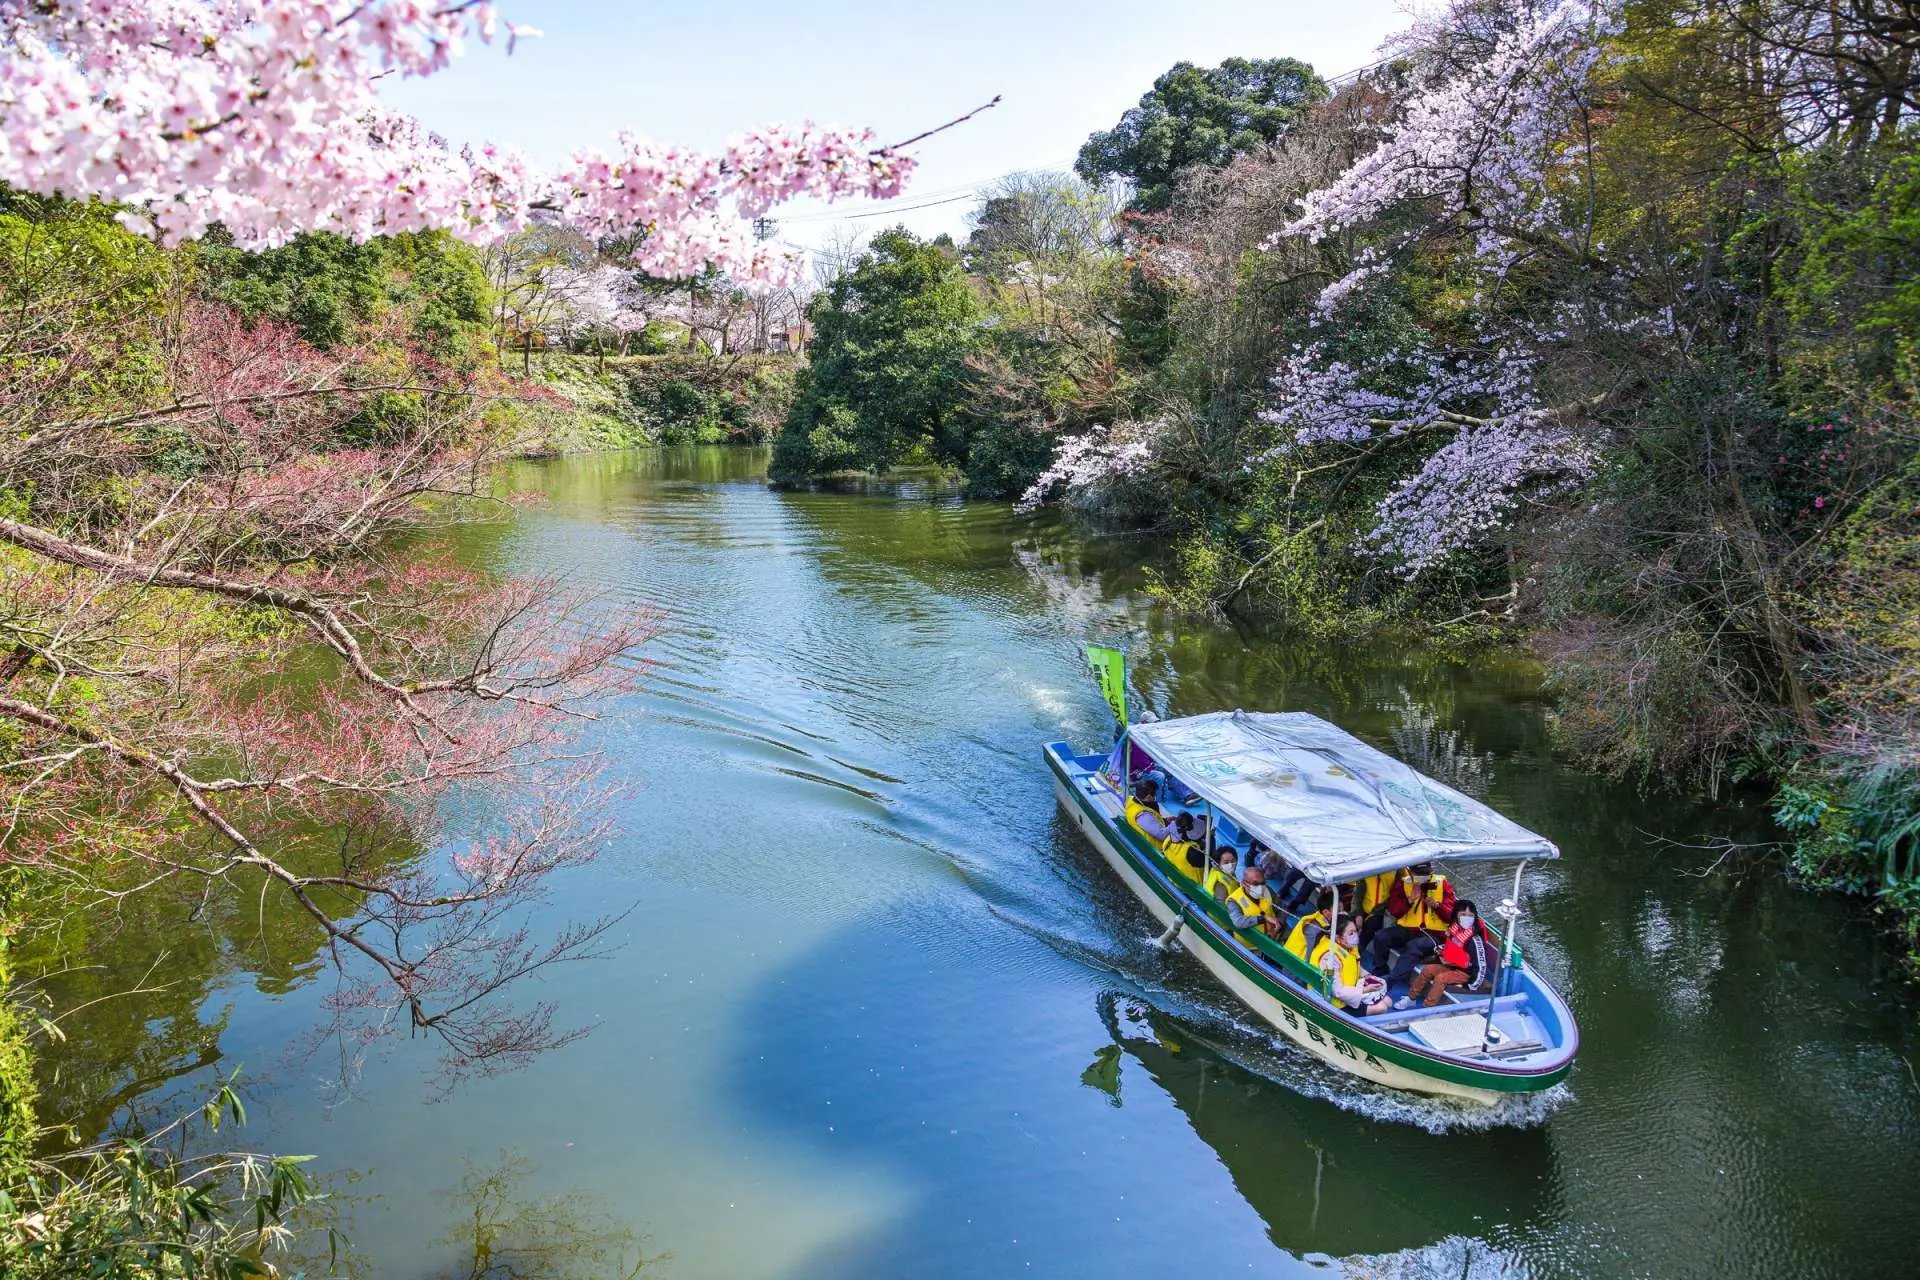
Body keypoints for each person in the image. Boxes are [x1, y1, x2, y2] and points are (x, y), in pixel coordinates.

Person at [1399, 899, 1499, 1008]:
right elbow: (1452, 946)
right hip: (1451, 965)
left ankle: (1427, 1007)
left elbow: (1481, 965)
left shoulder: (1475, 940)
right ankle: (1411, 998)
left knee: (1440, 979)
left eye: (1470, 915)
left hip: (1465, 973)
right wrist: (1441, 950)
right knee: (1427, 969)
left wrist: (1471, 985)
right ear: (1456, 915)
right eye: (1463, 914)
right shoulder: (1455, 927)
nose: (1467, 917)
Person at [1366, 862, 1456, 977]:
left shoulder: (1442, 884)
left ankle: (1392, 979)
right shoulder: (1403, 884)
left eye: (1425, 874)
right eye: (1419, 874)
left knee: (1414, 946)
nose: (1422, 878)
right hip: (1407, 930)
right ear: (1411, 873)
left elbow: (1451, 916)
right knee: (1381, 937)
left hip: (1434, 934)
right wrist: (1409, 900)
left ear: (1431, 872)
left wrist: (1437, 907)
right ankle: (1381, 968)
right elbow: (1394, 911)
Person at [1312, 913, 1392, 1016]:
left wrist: (1367, 976)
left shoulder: (1347, 945)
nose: (1355, 935)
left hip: (1349, 990)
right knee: (1382, 1007)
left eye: (1355, 931)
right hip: (1335, 1003)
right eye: (1351, 933)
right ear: (1338, 937)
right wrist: (1364, 990)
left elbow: (1353, 964)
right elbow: (1336, 991)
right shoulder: (1329, 958)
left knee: (1388, 1001)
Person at [1224, 866, 1284, 939]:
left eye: (1262, 883)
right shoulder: (1233, 900)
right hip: (1249, 946)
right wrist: (1263, 918)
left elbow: (1282, 909)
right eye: (1255, 884)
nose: (1260, 887)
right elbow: (1238, 922)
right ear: (1244, 883)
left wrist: (1278, 926)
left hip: (1272, 938)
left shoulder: (1268, 891)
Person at [1283, 887, 1337, 960]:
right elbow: (1307, 955)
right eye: (1338, 909)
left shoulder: (1324, 925)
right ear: (1326, 912)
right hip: (1293, 966)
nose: (1341, 912)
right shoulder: (1314, 928)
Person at [1353, 869, 1398, 950]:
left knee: (1369, 926)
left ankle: (1357, 953)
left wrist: (1374, 913)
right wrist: (1357, 914)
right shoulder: (1366, 869)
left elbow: (1394, 896)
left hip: (1381, 912)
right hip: (1364, 909)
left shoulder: (1396, 870)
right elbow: (1357, 894)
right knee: (1351, 925)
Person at [1125, 778, 1176, 847]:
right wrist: (1175, 824)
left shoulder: (1131, 799)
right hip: (1160, 847)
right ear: (1148, 797)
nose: (1155, 797)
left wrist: (1165, 820)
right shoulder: (1143, 815)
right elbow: (1162, 835)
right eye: (1155, 794)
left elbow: (1153, 822)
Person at [1160, 812, 1207, 884]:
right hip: (1190, 891)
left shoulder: (1169, 839)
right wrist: (1211, 839)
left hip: (1171, 880)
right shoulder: (1193, 853)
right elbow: (1208, 863)